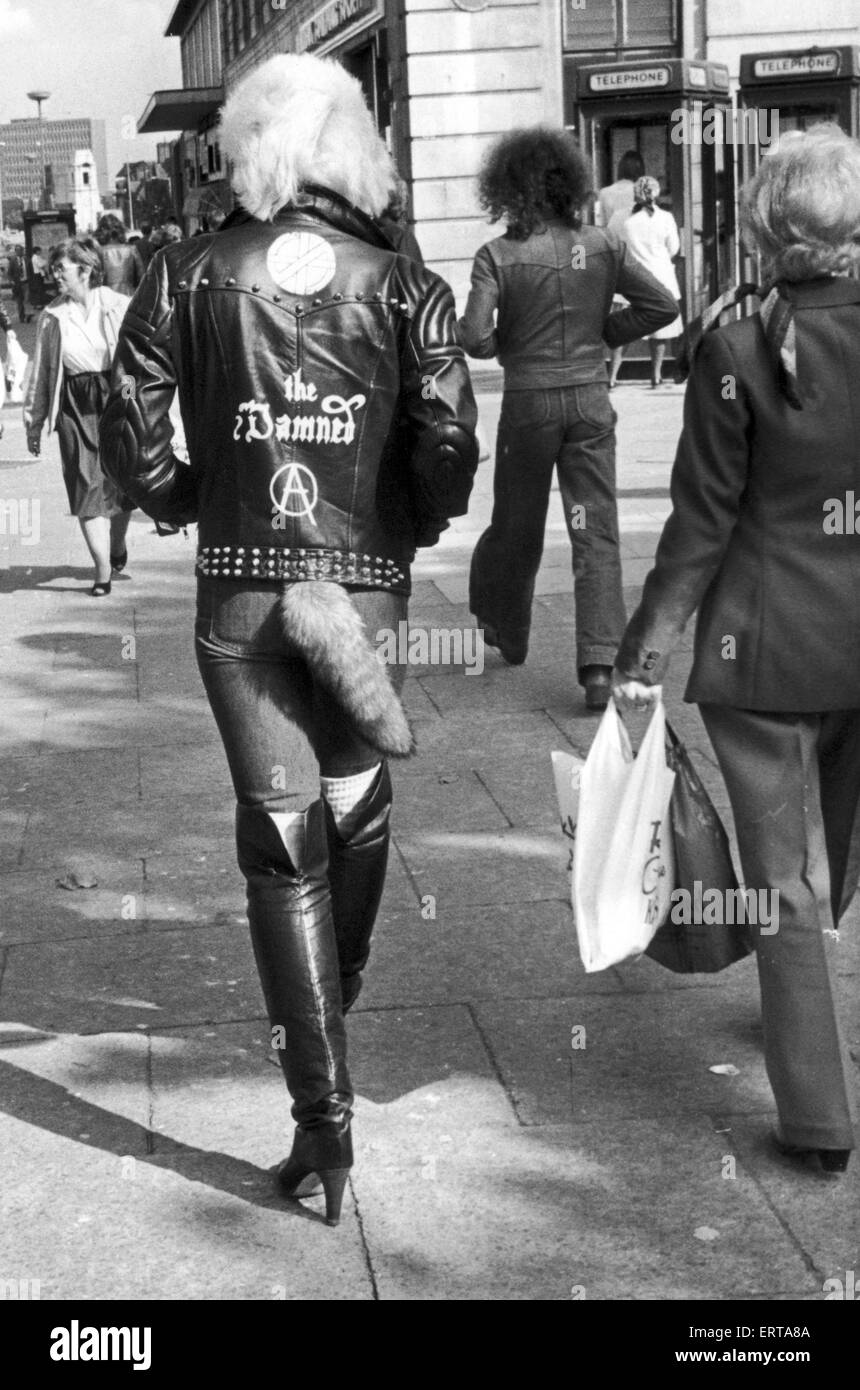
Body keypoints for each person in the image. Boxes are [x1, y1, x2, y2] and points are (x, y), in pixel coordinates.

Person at [100, 52, 478, 1225]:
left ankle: (322, 1126)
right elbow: (450, 439)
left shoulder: (185, 267)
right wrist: (398, 534)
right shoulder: (402, 280)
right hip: (358, 592)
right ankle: (338, 988)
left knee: (278, 844)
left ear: (248, 143)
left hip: (241, 598)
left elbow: (128, 412)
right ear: (349, 146)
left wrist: (177, 499)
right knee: (356, 810)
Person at [612, 125, 860, 1175]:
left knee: (783, 883)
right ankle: (798, 996)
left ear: (761, 225)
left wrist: (639, 654)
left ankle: (815, 1113)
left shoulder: (733, 342)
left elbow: (699, 527)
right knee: (827, 864)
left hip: (755, 648)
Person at [458, 126, 677, 708]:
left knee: (516, 522)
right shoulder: (602, 244)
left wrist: (510, 341)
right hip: (588, 404)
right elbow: (663, 304)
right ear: (569, 184)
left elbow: (473, 337)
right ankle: (600, 666)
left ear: (506, 189)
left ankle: (509, 627)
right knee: (594, 531)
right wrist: (607, 331)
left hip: (528, 405)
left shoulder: (498, 254)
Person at [23, 237, 133, 594]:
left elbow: (139, 360)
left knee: (122, 483)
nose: (54, 275)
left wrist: (139, 404)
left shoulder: (118, 305)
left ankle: (117, 547)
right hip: (74, 404)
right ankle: (102, 571)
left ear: (84, 271)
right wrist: (34, 422)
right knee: (86, 485)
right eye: (54, 269)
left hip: (115, 396)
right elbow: (40, 373)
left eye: (61, 269)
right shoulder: (52, 316)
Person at [609, 176, 683, 387]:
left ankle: (613, 376)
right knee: (659, 331)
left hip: (629, 278)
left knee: (623, 330)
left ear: (635, 193)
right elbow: (673, 249)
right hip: (660, 277)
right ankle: (656, 374)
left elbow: (611, 244)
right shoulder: (666, 218)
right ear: (656, 193)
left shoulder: (620, 217)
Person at [94, 214, 145, 298]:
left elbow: (95, 281)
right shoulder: (132, 249)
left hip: (107, 299)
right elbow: (142, 278)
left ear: (101, 231)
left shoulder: (99, 252)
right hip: (129, 297)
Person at [8, 246, 29, 322]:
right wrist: (11, 281)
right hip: (18, 284)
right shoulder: (12, 261)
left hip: (26, 282)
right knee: (20, 301)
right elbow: (9, 273)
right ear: (16, 252)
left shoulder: (26, 259)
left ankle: (27, 314)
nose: (22, 252)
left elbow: (30, 269)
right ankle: (22, 317)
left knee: (27, 300)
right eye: (20, 251)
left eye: (22, 250)